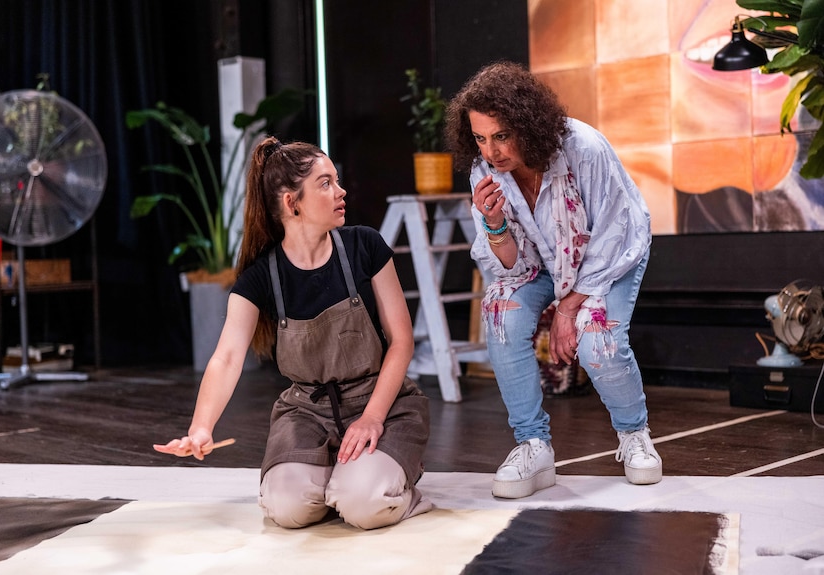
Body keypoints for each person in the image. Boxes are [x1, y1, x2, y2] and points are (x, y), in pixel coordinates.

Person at [154, 137, 433, 529]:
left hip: (380, 404)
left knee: (363, 504)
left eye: (336, 181)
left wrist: (371, 418)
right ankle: (338, 476)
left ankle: (379, 483)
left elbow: (402, 341)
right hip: (307, 413)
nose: (341, 191)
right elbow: (227, 358)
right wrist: (201, 427)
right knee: (286, 508)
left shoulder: (365, 246)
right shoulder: (260, 278)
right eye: (325, 183)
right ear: (291, 202)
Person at [445, 61, 662, 499]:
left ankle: (634, 434)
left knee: (595, 338)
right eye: (481, 139)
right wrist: (493, 222)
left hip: (608, 255)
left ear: (528, 124)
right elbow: (510, 263)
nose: (492, 152)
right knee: (500, 312)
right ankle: (532, 444)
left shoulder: (583, 147)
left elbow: (614, 232)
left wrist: (568, 307)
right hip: (540, 261)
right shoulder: (484, 172)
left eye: (502, 135)